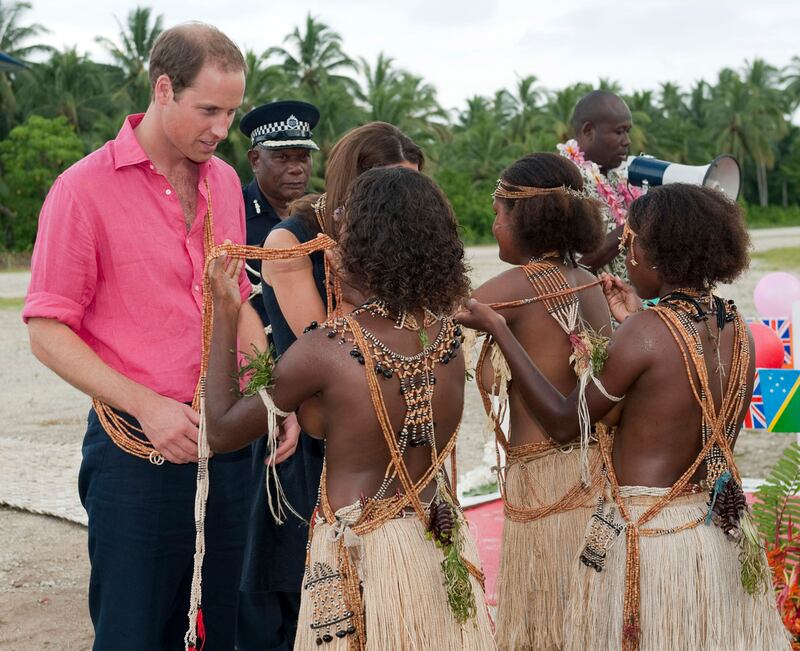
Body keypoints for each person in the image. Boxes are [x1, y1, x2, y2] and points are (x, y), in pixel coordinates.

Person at [458, 183, 790, 650]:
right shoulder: (737, 327)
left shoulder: (647, 331)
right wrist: (634, 319)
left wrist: (501, 331)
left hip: (650, 537)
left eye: (630, 243)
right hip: (713, 528)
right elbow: (673, 399)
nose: (625, 257)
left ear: (655, 253)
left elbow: (565, 423)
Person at [23, 23, 265, 650]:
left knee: (224, 630)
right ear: (163, 89)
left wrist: (271, 395)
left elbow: (235, 298)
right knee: (133, 633)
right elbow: (47, 329)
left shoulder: (223, 183)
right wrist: (147, 405)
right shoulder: (82, 189)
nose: (221, 128)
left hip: (229, 445)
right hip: (135, 455)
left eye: (231, 112)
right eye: (208, 110)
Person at [206, 167, 496, 650]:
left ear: (362, 242)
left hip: (362, 560)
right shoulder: (446, 335)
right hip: (432, 544)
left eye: (345, 217)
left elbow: (221, 430)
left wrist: (225, 308)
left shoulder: (326, 350)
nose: (333, 221)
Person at [236, 122, 424, 651]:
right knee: (314, 596)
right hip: (320, 435)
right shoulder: (292, 239)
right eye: (389, 183)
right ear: (353, 180)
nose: (402, 198)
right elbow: (332, 348)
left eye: (412, 185)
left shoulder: (398, 232)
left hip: (390, 430)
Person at [471, 152, 611, 650]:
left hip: (543, 478)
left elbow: (437, 317)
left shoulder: (514, 288)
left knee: (544, 627)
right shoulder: (589, 282)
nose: (494, 225)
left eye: (499, 213)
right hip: (591, 471)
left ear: (524, 218)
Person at [239, 100, 320, 326]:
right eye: (282, 157)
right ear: (255, 160)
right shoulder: (235, 211)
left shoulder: (319, 214)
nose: (296, 168)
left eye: (303, 156)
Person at [557, 90, 642, 280]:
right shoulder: (562, 179)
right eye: (619, 131)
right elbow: (577, 263)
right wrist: (636, 222)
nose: (627, 141)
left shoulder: (617, 177)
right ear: (588, 131)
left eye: (628, 131)